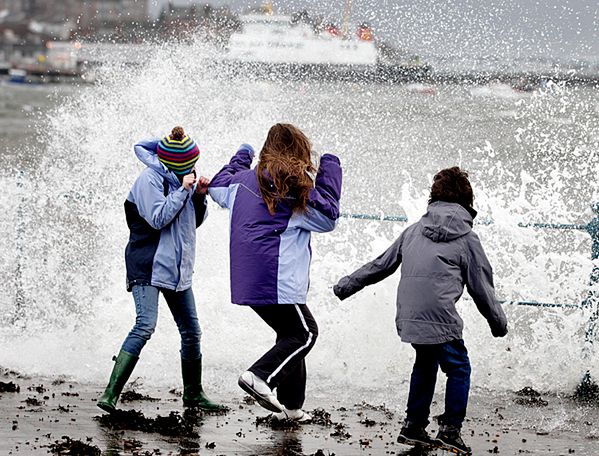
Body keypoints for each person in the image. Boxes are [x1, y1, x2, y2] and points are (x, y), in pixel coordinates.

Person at [333, 167, 507, 455]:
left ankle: (413, 426)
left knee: (425, 365)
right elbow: (482, 288)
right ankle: (450, 430)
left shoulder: (413, 231)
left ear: (433, 198)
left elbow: (380, 265)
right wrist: (498, 323)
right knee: (459, 368)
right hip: (440, 317)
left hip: (410, 315)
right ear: (468, 202)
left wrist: (346, 286)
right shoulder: (467, 238)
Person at [208, 123, 342, 422]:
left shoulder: (240, 182)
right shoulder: (294, 188)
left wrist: (242, 155)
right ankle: (259, 376)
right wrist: (330, 165)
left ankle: (292, 409)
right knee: (305, 334)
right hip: (275, 279)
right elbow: (328, 216)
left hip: (247, 278)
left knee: (290, 334)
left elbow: (217, 186)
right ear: (300, 152)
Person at [97, 126, 224, 413]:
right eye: (188, 164)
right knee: (145, 325)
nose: (192, 168)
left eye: (194, 163)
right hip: (148, 265)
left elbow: (191, 224)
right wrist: (184, 190)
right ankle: (110, 393)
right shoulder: (149, 179)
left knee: (192, 332)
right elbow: (157, 219)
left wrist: (200, 196)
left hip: (177, 270)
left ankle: (193, 394)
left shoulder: (184, 179)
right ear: (174, 163)